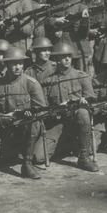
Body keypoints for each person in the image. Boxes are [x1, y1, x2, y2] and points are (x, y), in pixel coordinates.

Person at [0, 47, 46, 179]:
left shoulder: (31, 84)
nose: (17, 67)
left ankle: (27, 164)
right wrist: (4, 117)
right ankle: (15, 151)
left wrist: (30, 115)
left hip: (27, 129)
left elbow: (41, 111)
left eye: (20, 63)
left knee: (33, 123)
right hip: (6, 131)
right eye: (14, 63)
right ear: (6, 64)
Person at [38, 43, 99, 172]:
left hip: (77, 123)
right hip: (58, 123)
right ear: (56, 59)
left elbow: (93, 103)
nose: (67, 59)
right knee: (38, 157)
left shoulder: (82, 76)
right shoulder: (48, 80)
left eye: (69, 56)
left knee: (83, 112)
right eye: (63, 56)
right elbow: (44, 108)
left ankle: (83, 158)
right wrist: (57, 109)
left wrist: (85, 103)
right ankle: (66, 144)